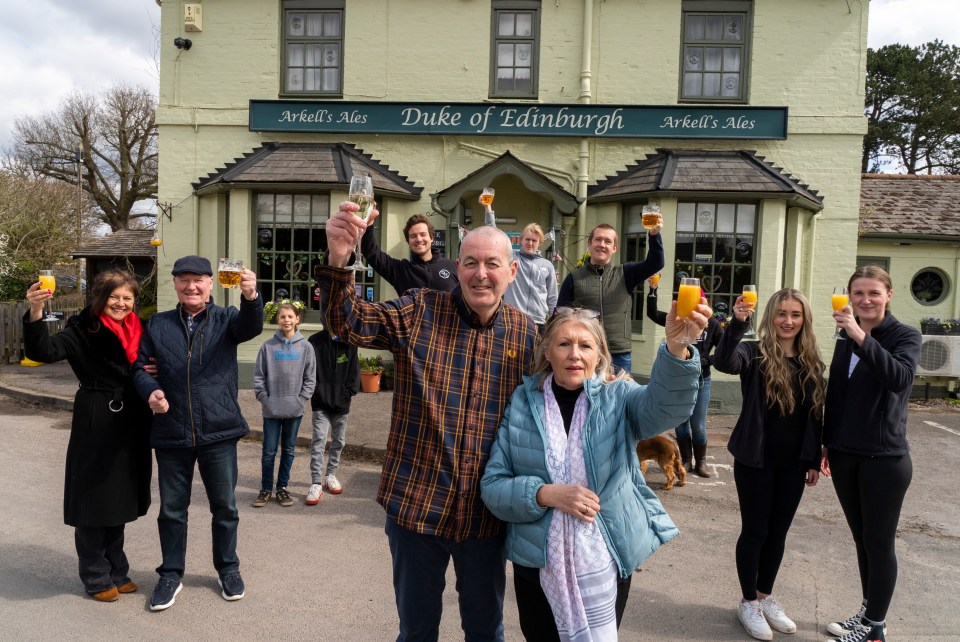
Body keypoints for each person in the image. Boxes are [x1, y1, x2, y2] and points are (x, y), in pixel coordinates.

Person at [318, 201, 538, 641]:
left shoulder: (527, 333)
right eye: (471, 263)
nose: (481, 274)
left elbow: (571, 393)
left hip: (484, 516)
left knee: (485, 631)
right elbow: (347, 322)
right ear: (457, 268)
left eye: (492, 264)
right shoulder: (420, 310)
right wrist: (339, 257)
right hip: (417, 507)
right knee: (416, 632)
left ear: (512, 272)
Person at [480, 301, 707, 641]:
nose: (575, 354)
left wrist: (676, 347)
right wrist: (545, 494)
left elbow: (663, 408)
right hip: (537, 565)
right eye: (564, 344)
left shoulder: (620, 397)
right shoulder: (522, 404)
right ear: (548, 351)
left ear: (599, 355)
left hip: (605, 560)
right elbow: (493, 486)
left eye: (585, 345)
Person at [133, 255, 263, 611]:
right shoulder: (157, 324)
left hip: (218, 431)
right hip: (171, 430)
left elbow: (251, 328)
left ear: (210, 284)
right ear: (174, 284)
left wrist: (251, 296)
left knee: (225, 508)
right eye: (183, 279)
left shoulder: (228, 319)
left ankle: (228, 569)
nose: (191, 286)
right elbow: (141, 368)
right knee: (172, 511)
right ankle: (171, 574)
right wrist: (151, 391)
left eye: (198, 280)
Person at [22, 270, 152, 603]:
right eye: (114, 297)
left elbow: (150, 365)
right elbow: (43, 352)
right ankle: (95, 575)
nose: (121, 304)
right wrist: (36, 311)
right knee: (96, 500)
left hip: (133, 419)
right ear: (99, 297)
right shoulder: (82, 329)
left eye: (127, 298)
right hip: (97, 416)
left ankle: (117, 569)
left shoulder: (141, 330)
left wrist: (155, 370)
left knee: (120, 499)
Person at [712, 288, 826, 641]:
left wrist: (812, 458)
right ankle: (748, 602)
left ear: (804, 318)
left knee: (778, 533)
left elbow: (815, 415)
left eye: (795, 314)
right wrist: (737, 323)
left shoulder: (811, 360)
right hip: (756, 459)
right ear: (770, 317)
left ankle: (765, 596)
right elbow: (723, 362)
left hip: (794, 463)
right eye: (781, 313)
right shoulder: (754, 351)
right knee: (756, 531)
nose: (788, 321)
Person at [821, 266, 920, 642]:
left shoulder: (904, 335)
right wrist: (827, 442)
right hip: (846, 454)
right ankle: (867, 612)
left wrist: (861, 335)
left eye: (873, 293)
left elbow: (899, 378)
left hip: (884, 458)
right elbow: (838, 393)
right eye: (857, 293)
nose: (865, 300)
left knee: (880, 543)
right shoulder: (845, 338)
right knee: (862, 540)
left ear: (888, 295)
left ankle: (875, 629)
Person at [556, 218, 664, 374]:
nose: (602, 244)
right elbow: (561, 317)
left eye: (607, 241)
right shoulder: (574, 278)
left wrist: (654, 235)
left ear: (614, 248)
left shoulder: (625, 274)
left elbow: (656, 263)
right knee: (586, 398)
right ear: (589, 244)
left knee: (619, 397)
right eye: (598, 239)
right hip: (585, 352)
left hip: (619, 354)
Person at [646, 278, 723, 476]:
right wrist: (653, 289)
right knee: (680, 424)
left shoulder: (712, 324)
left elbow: (723, 351)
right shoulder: (678, 318)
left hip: (701, 380)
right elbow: (652, 313)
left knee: (697, 425)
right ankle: (687, 461)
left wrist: (706, 361)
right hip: (678, 381)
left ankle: (701, 463)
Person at [252, 299, 316, 508]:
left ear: (297, 319)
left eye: (290, 316)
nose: (286, 320)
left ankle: (282, 488)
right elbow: (259, 376)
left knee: (288, 450)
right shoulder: (268, 346)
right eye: (282, 316)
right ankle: (265, 490)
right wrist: (264, 398)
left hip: (294, 409)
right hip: (271, 409)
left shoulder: (306, 347)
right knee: (269, 451)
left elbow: (310, 379)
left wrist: (301, 399)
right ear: (277, 320)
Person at [305, 326, 360, 504]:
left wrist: (347, 393)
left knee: (339, 441)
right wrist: (315, 392)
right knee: (319, 441)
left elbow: (354, 372)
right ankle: (315, 482)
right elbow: (309, 370)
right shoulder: (314, 341)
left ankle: (331, 475)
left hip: (341, 403)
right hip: (320, 402)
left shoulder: (350, 342)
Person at [360, 212, 458, 295]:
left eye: (423, 234)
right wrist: (369, 224)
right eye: (413, 236)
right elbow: (370, 251)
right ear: (408, 241)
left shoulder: (453, 266)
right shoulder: (401, 271)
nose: (419, 239)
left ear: (431, 238)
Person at [503, 223, 558, 334]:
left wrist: (555, 323)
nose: (530, 243)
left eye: (534, 241)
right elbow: (495, 236)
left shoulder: (547, 265)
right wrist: (488, 210)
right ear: (521, 240)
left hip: (538, 323)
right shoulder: (512, 258)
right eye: (527, 239)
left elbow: (552, 297)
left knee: (537, 352)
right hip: (513, 319)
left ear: (540, 243)